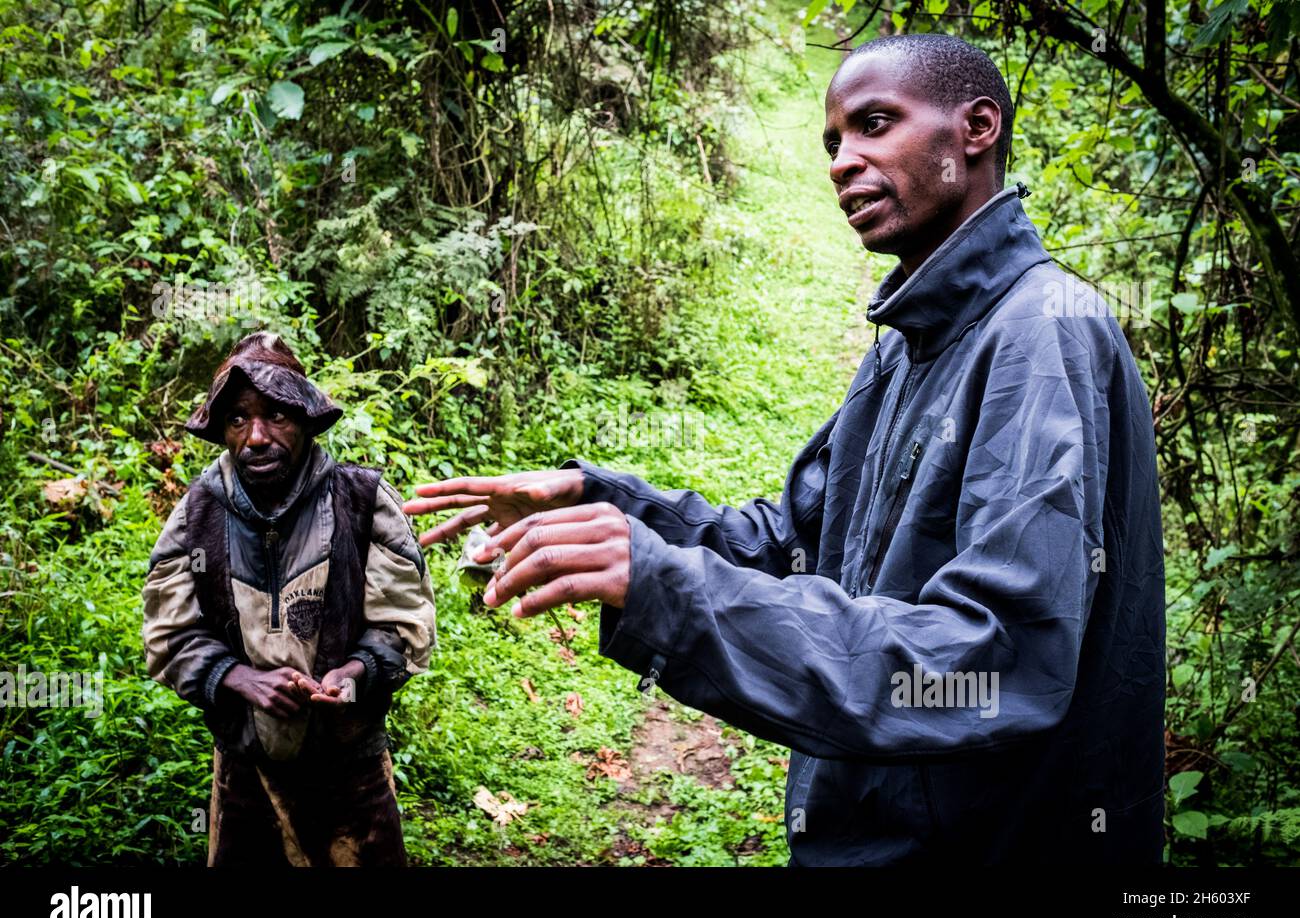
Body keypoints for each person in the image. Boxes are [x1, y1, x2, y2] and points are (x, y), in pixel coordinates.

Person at [404, 33, 1166, 865]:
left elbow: (995, 657)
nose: (843, 162)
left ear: (976, 129)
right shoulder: (906, 346)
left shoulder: (1042, 333)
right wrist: (604, 505)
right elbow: (796, 542)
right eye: (834, 142)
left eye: (874, 124)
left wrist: (670, 588)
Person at [143, 332, 435, 866]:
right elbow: (169, 637)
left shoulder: (363, 501)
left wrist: (355, 672)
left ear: (304, 419)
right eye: (237, 418)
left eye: (276, 414)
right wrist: (238, 678)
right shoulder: (196, 515)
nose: (256, 436)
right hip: (246, 775)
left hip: (353, 776)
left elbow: (404, 625)